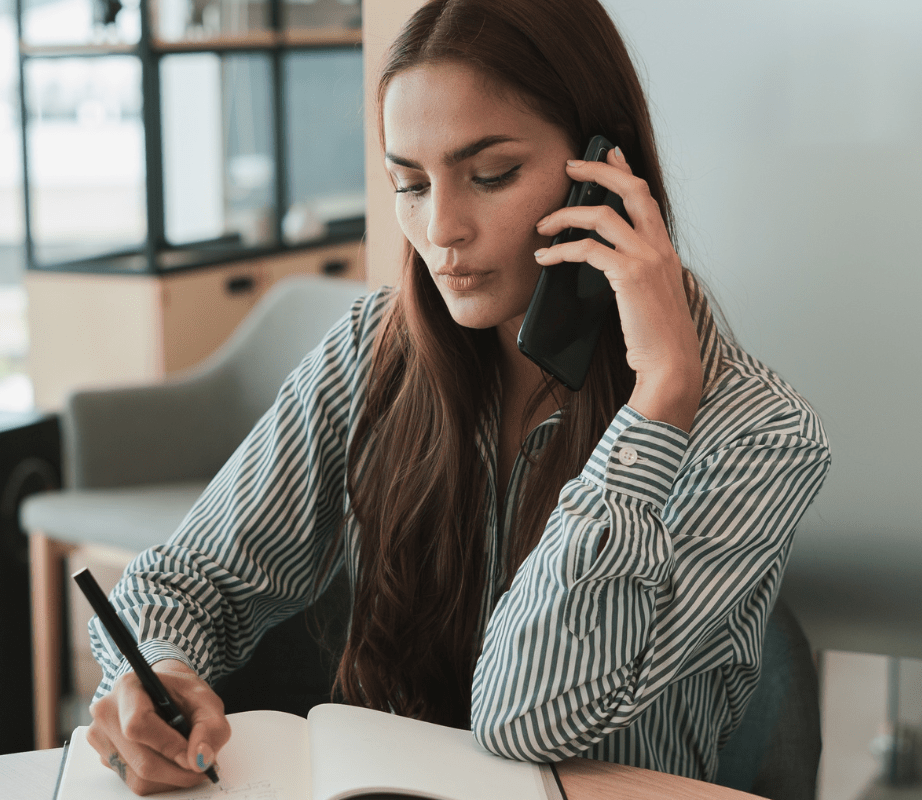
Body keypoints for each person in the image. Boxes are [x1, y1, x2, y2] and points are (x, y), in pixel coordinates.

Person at [84, 0, 832, 794]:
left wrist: (659, 404)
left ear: (608, 174)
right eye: (409, 183)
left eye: (491, 176)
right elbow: (184, 581)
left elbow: (527, 717)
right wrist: (155, 672)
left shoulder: (759, 436)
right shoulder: (372, 353)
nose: (441, 228)